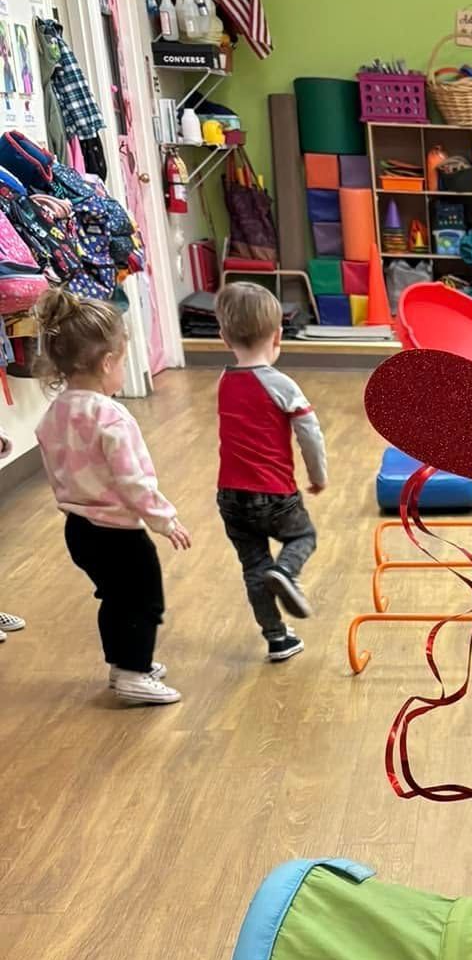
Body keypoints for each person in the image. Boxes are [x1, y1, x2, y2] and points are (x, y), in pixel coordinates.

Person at [33, 290, 189, 707]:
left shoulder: (54, 414)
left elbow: (54, 469)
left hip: (79, 530)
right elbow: (132, 481)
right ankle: (134, 673)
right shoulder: (110, 416)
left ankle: (125, 665)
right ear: (107, 363)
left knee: (114, 598)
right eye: (122, 361)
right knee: (144, 599)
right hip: (118, 532)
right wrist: (165, 519)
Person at [213, 282, 327, 665]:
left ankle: (277, 638)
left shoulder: (224, 382)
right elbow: (309, 433)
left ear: (223, 336)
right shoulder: (280, 384)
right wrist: (318, 475)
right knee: (303, 536)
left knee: (253, 567)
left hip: (230, 495)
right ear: (278, 336)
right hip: (273, 493)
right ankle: (287, 572)